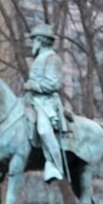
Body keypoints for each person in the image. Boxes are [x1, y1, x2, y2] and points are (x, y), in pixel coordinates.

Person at [23, 24, 67, 183]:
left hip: (45, 103)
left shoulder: (52, 58)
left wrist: (33, 86)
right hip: (31, 100)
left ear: (41, 41)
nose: (32, 42)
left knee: (43, 130)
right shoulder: (38, 58)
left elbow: (54, 84)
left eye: (34, 39)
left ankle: (55, 166)